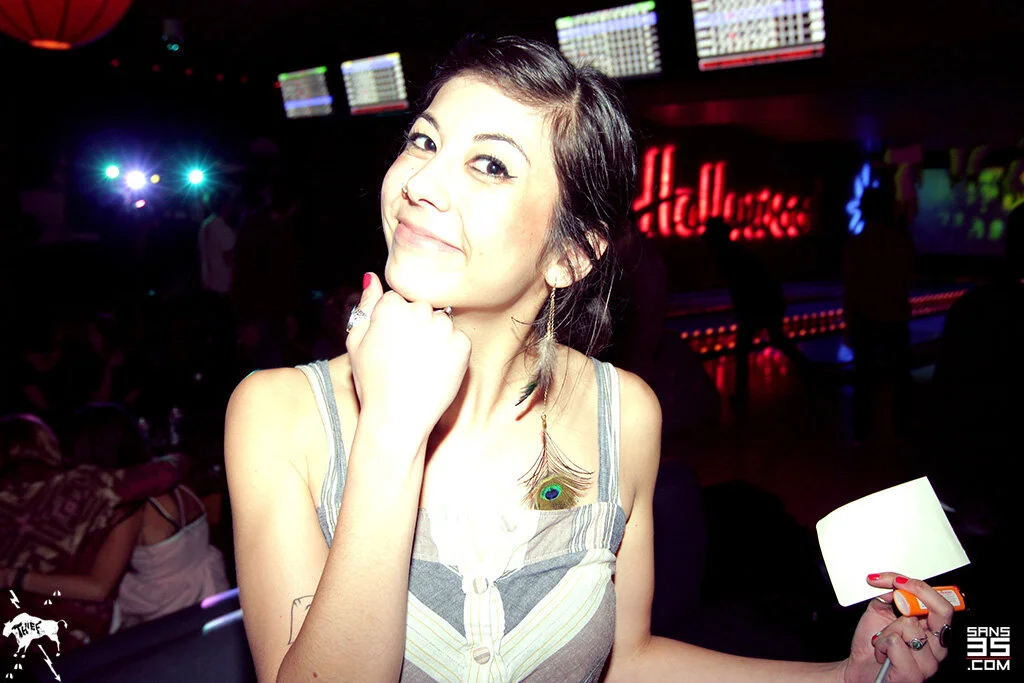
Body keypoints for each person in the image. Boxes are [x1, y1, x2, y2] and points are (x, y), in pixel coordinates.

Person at [225, 36, 954, 683]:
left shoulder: (624, 412)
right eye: (423, 141)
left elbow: (626, 661)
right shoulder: (278, 415)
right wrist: (390, 433)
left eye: (489, 164)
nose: (419, 183)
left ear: (571, 254)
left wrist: (844, 676)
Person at [0, 413, 186, 649]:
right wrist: (178, 457)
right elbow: (166, 472)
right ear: (45, 443)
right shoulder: (82, 485)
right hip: (69, 636)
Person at [702, 216, 809, 405]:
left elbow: (743, 286)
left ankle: (741, 394)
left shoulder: (729, 255)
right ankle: (809, 371)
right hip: (767, 300)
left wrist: (744, 312)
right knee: (776, 339)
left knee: (746, 346)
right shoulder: (733, 251)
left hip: (762, 302)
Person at [842, 186, 916, 441]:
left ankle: (861, 433)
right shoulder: (902, 241)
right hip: (895, 318)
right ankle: (903, 429)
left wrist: (849, 323)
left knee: (863, 379)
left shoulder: (856, 244)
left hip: (865, 319)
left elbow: (850, 288)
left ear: (864, 210)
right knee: (901, 378)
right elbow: (909, 275)